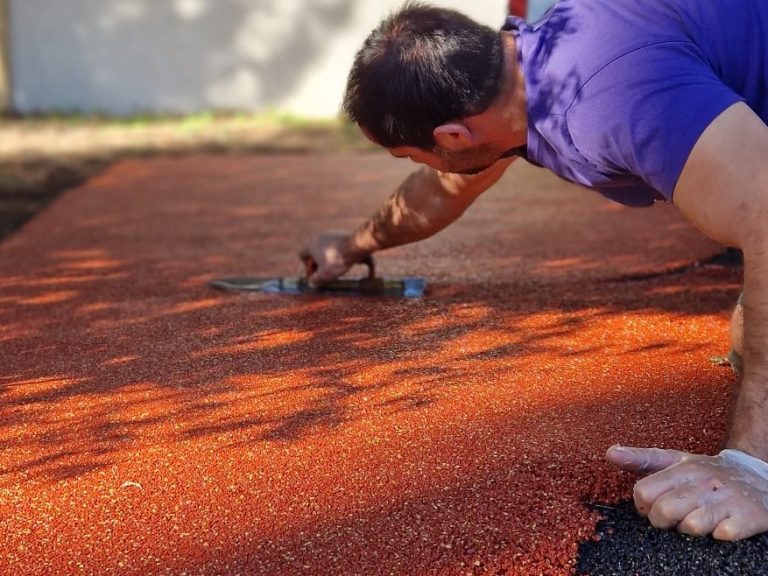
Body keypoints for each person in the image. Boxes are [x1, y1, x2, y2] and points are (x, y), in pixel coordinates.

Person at [300, 0, 768, 541]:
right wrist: (354, 245)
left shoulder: (606, 98)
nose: (420, 166)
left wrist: (751, 463)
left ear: (453, 137)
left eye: (411, 155)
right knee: (749, 340)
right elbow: (442, 188)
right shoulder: (521, 70)